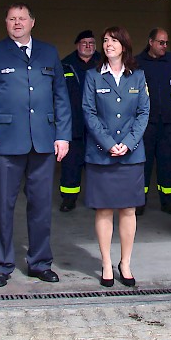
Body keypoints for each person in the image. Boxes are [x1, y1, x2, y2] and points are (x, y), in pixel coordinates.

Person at [0, 3, 72, 287]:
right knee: (4, 206)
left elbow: (61, 97)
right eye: (12, 19)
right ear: (6, 23)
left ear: (32, 22)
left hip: (43, 142)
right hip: (5, 143)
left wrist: (62, 135)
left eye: (22, 19)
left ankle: (40, 263)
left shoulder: (49, 52)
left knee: (41, 205)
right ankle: (2, 264)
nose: (17, 23)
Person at [82, 26, 150, 287]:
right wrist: (109, 143)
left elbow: (143, 113)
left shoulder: (138, 76)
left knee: (128, 209)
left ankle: (126, 262)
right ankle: (106, 262)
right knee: (104, 209)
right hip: (102, 154)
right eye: (106, 41)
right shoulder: (93, 77)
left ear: (125, 45)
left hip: (131, 155)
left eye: (113, 41)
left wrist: (129, 144)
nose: (108, 44)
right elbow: (89, 113)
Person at [135, 27, 171, 216]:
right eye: (161, 42)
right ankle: (140, 201)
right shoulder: (138, 63)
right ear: (151, 42)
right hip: (144, 124)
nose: (165, 46)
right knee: (143, 163)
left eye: (166, 43)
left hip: (169, 123)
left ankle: (168, 201)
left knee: (168, 163)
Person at [58, 30, 99, 212]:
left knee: (96, 165)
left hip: (97, 126)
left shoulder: (103, 63)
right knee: (71, 165)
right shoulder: (65, 64)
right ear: (77, 45)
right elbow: (57, 95)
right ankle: (69, 199)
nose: (88, 46)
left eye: (91, 43)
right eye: (84, 42)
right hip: (73, 123)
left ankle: (97, 199)